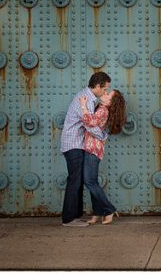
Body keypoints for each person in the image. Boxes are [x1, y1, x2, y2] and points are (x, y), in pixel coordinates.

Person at [59, 72, 111, 226]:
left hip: (77, 143)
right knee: (74, 180)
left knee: (79, 180)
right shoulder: (87, 99)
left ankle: (75, 215)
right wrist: (103, 136)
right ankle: (68, 219)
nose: (105, 92)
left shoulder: (87, 97)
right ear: (97, 86)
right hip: (73, 144)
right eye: (104, 89)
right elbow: (90, 124)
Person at [80, 88, 126, 225]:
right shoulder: (101, 109)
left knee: (90, 182)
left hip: (93, 150)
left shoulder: (103, 110)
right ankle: (97, 213)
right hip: (92, 149)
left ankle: (109, 209)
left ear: (110, 103)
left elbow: (90, 122)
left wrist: (83, 105)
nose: (104, 94)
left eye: (108, 95)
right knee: (92, 181)